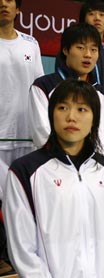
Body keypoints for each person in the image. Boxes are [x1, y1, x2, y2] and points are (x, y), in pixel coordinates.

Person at [4, 79, 104, 278]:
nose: (71, 117)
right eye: (63, 107)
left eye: (82, 109)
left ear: (94, 119)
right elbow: (23, 251)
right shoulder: (25, 172)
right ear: (51, 114)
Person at [28, 23, 104, 160]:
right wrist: (73, 163)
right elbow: (42, 134)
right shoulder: (44, 87)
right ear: (65, 50)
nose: (88, 55)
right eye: (81, 48)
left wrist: (95, 167)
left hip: (95, 172)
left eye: (93, 49)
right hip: (54, 168)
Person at [0, 0, 44, 166]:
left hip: (26, 135)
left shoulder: (31, 43)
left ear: (17, 9)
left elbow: (39, 89)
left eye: (9, 0)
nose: (3, 4)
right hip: (0, 136)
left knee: (23, 191)